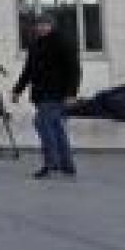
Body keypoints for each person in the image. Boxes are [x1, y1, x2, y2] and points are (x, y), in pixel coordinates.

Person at [12, 11, 82, 179]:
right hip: (40, 93)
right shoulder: (36, 44)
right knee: (56, 127)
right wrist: (17, 89)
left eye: (45, 25)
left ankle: (51, 163)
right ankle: (67, 164)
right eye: (39, 25)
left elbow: (74, 69)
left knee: (42, 123)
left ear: (52, 25)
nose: (41, 28)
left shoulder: (63, 42)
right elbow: (28, 70)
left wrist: (71, 93)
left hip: (56, 93)